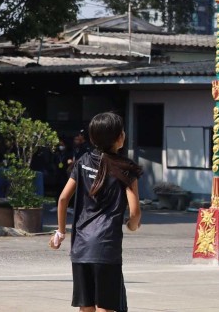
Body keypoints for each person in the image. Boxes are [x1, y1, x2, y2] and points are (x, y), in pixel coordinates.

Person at [50, 112, 143, 312]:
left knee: (86, 306)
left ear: (93, 138)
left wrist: (60, 232)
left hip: (81, 248)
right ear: (119, 138)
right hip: (106, 248)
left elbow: (63, 199)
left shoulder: (82, 162)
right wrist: (132, 225)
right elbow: (135, 212)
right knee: (105, 307)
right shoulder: (127, 168)